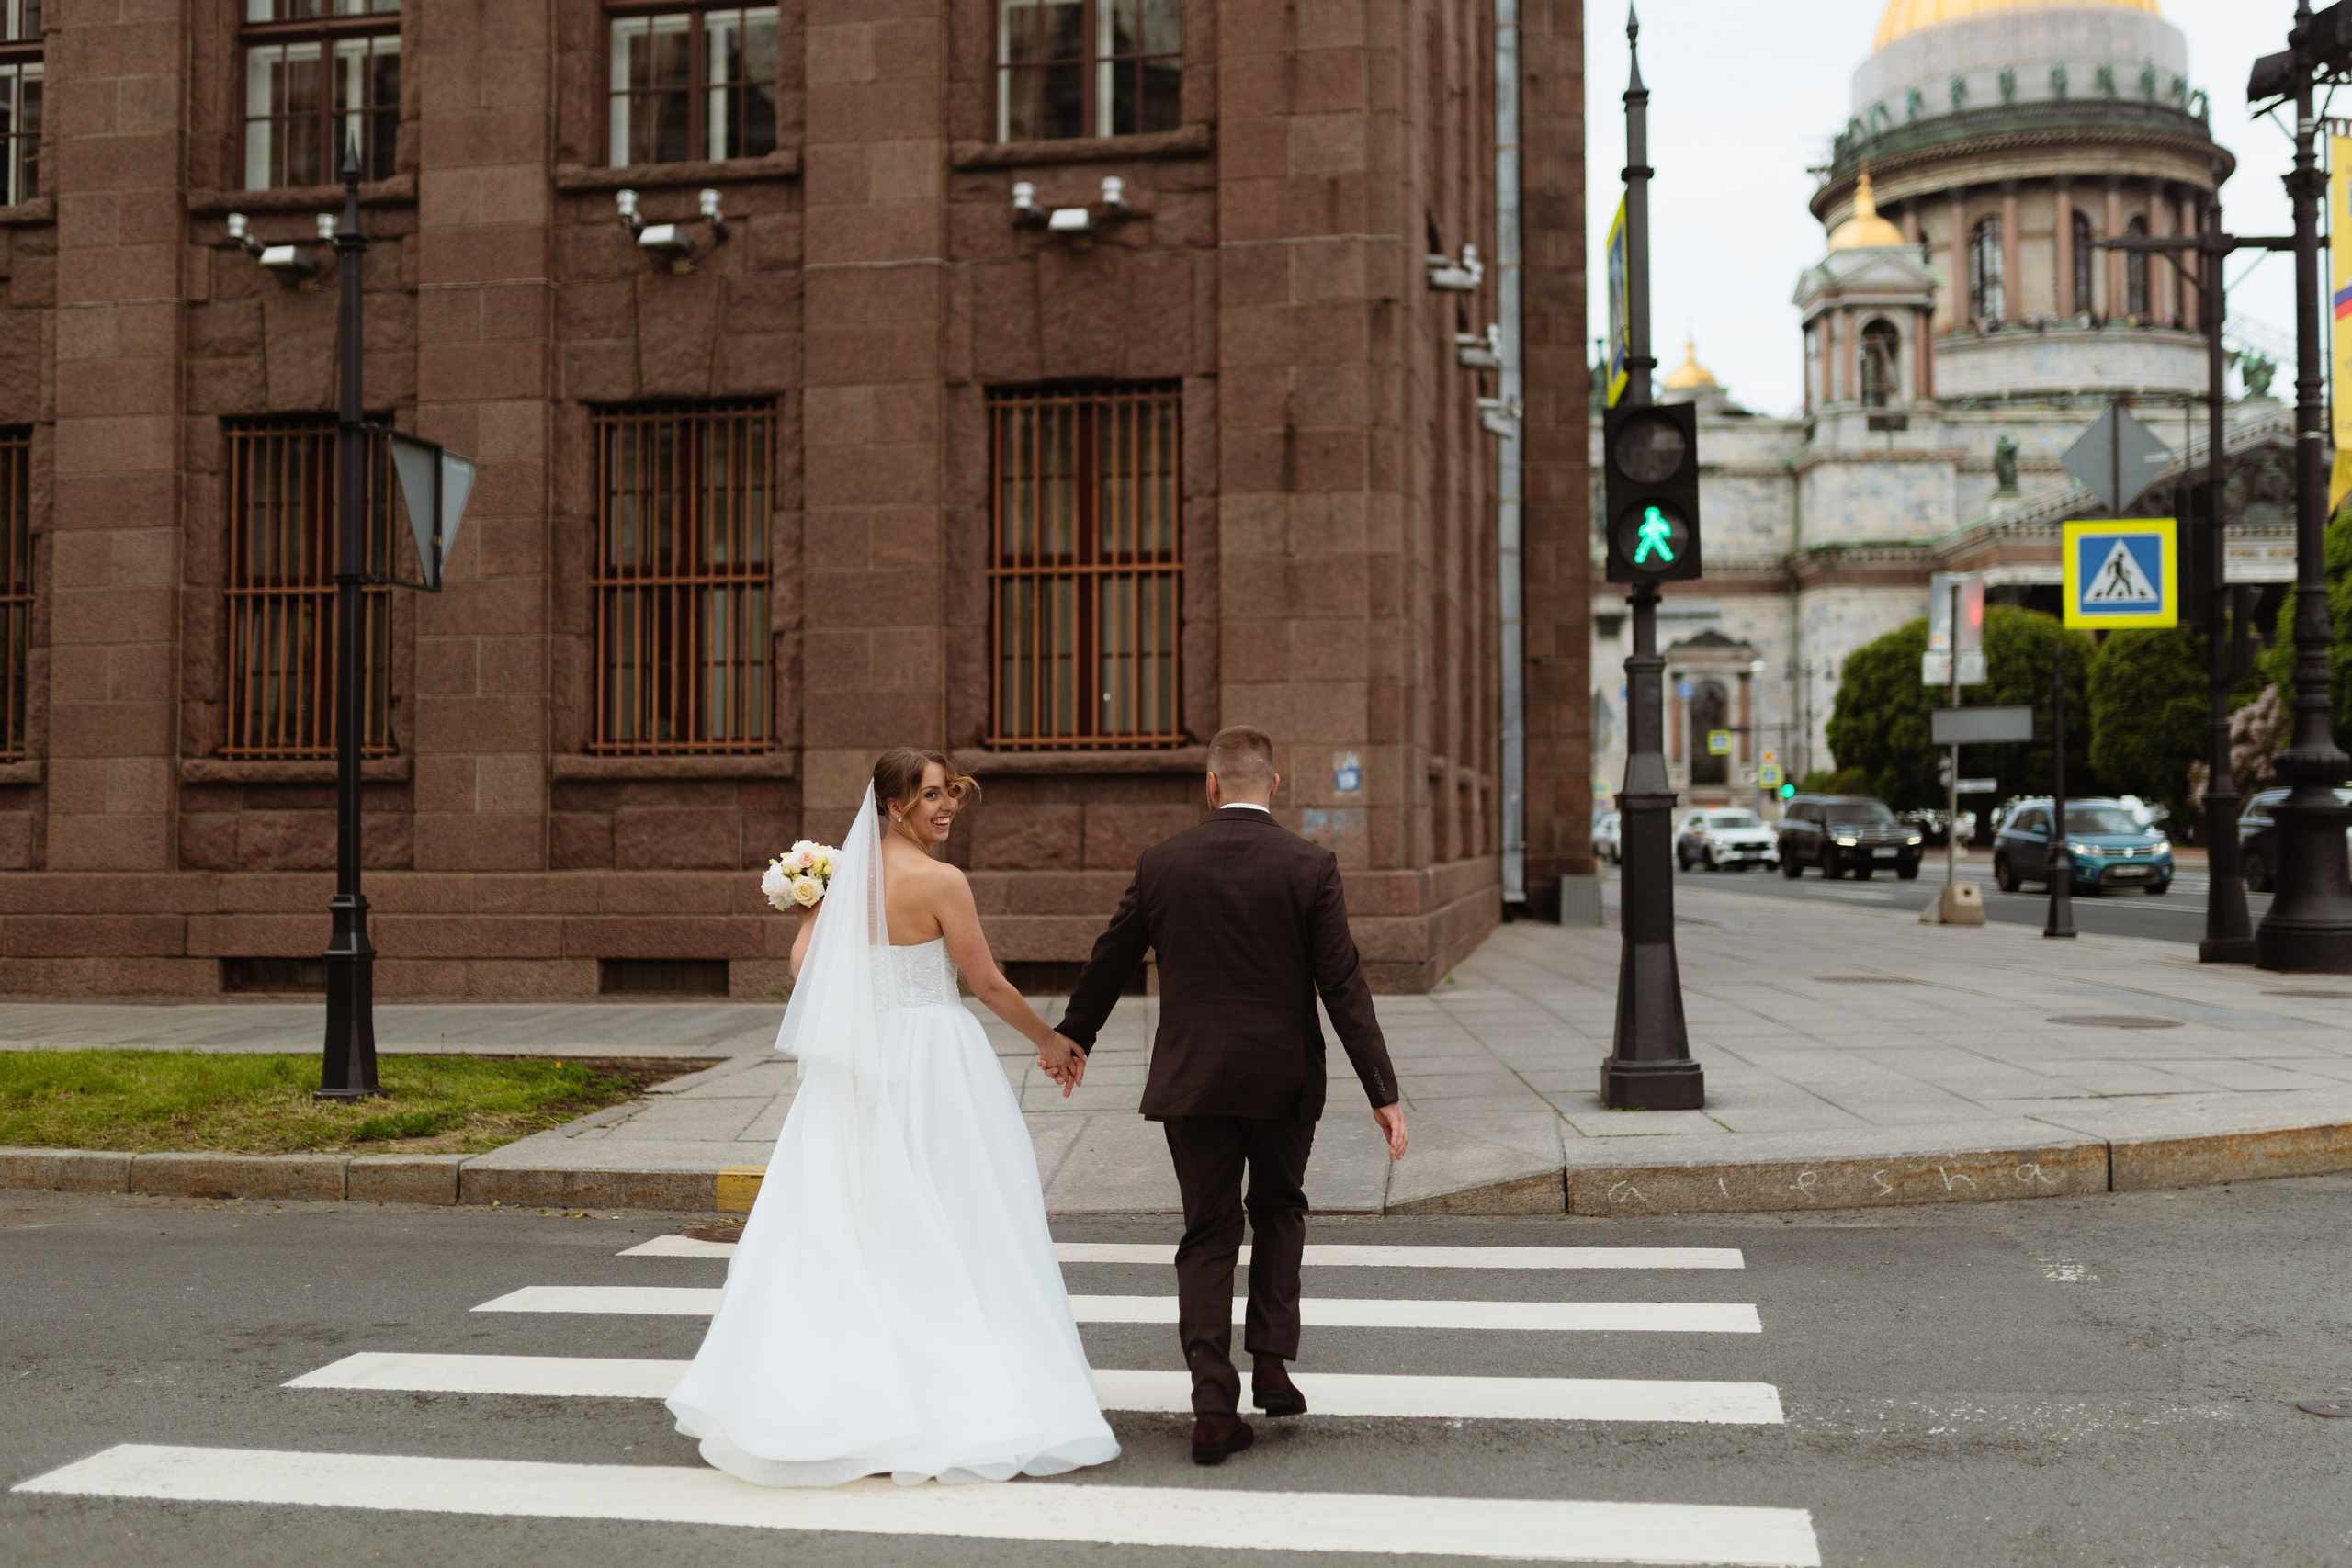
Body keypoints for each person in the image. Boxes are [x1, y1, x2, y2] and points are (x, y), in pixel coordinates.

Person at [665, 749, 1119, 1487]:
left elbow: (805, 969)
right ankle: (946, 1381)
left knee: (861, 1214)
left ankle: (856, 1390)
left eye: (950, 795)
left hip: (863, 1061)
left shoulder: (844, 879)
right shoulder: (943, 881)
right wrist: (1052, 1041)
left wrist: (819, 909)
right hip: (935, 1061)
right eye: (931, 796)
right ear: (893, 804)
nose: (946, 808)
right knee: (955, 1210)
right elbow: (988, 983)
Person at [1046, 724, 1407, 1466]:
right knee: (1277, 1209)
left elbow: (1109, 959)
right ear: (1274, 785)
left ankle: (1213, 1405)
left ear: (1210, 784)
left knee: (1207, 1233)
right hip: (1284, 1080)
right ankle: (1271, 1366)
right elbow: (1342, 984)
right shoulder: (1310, 865)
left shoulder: (1161, 863)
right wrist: (1383, 1090)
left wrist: (1072, 1038)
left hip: (1194, 1080)